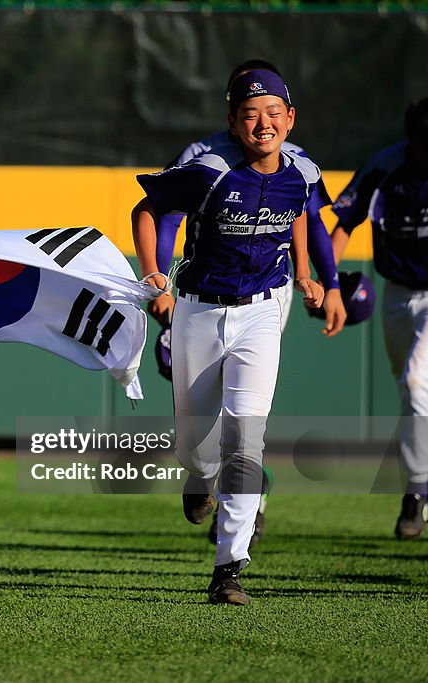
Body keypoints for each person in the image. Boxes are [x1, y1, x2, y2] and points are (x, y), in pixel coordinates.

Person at [132, 69, 332, 606]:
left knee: (246, 438)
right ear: (232, 123)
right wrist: (152, 271)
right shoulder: (209, 171)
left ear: (290, 119)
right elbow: (148, 209)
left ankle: (229, 569)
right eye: (249, 113)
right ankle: (198, 481)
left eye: (273, 113)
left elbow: (300, 216)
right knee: (197, 444)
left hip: (262, 312)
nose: (262, 123)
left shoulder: (305, 171)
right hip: (198, 311)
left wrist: (308, 273)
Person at [330, 97, 428, 540]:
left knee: (415, 382)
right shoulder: (386, 166)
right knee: (407, 388)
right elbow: (345, 223)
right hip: (396, 293)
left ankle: (417, 491)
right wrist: (328, 284)